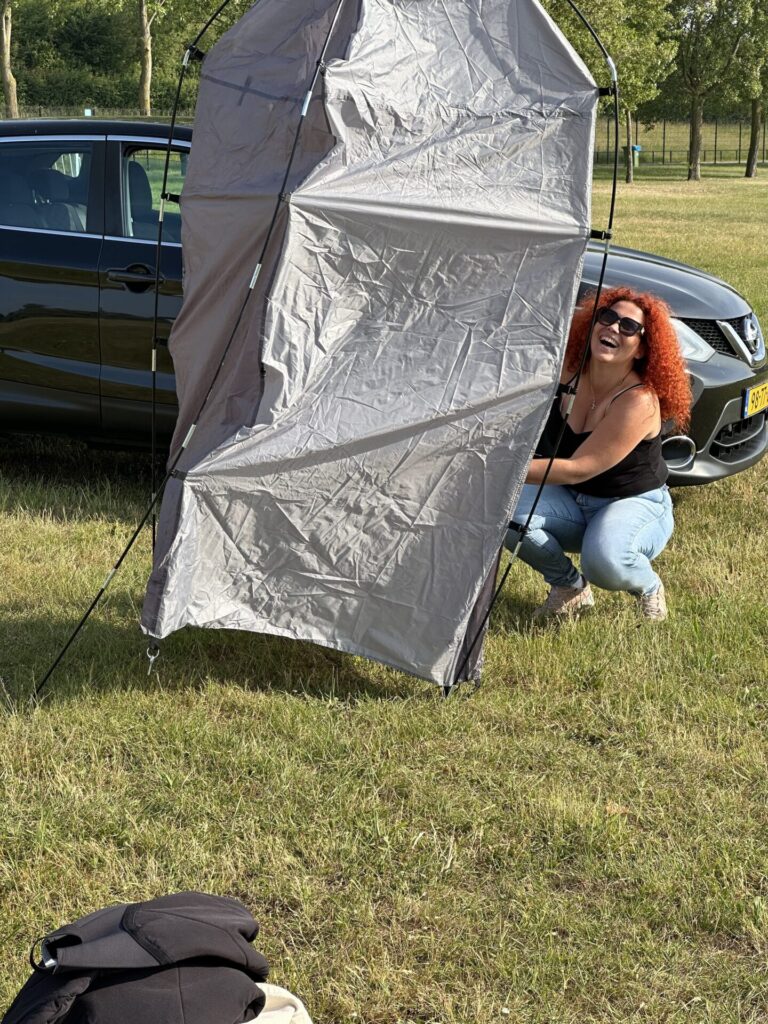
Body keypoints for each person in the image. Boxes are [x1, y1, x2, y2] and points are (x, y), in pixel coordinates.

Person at [508, 286, 692, 622]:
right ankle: (569, 587)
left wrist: (505, 469)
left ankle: (648, 587)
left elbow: (579, 468)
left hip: (634, 504)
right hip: (573, 500)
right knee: (501, 511)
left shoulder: (640, 400)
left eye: (629, 327)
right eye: (607, 318)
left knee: (604, 561)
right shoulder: (568, 371)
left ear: (641, 349)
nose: (613, 328)